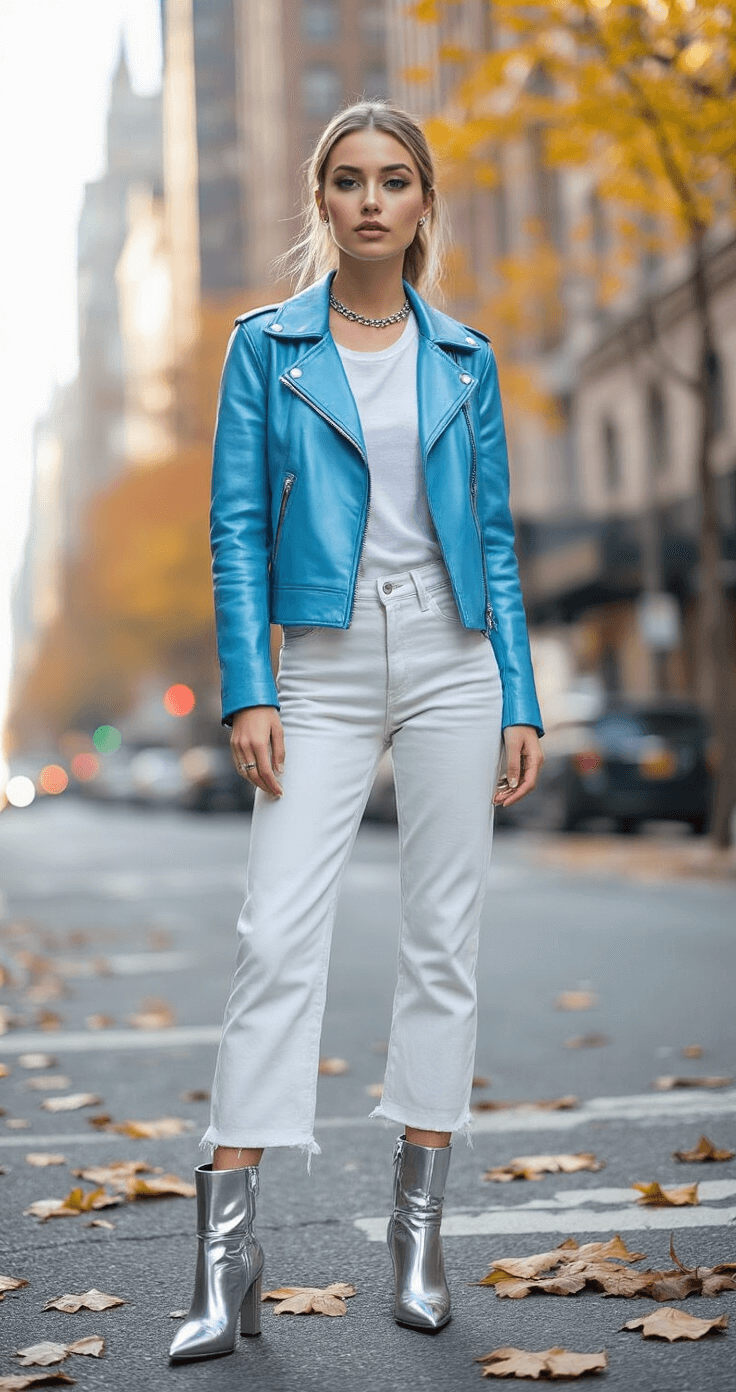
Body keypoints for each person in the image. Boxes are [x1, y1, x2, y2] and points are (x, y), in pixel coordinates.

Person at [169, 100, 544, 1363]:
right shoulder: (265, 347)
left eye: (393, 179)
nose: (371, 200)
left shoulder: (465, 358)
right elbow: (233, 526)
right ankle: (226, 1259)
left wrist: (520, 694)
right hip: (321, 663)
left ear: (423, 201)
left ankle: (419, 1237)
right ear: (321, 201)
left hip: (451, 654)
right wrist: (250, 687)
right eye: (347, 180)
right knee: (275, 937)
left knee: (443, 941)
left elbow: (493, 538)